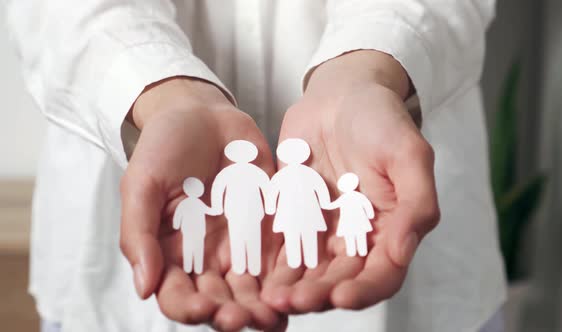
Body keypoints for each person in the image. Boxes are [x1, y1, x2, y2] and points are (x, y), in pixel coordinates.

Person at [5, 1, 506, 332]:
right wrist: (157, 90)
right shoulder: (239, 189)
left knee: (303, 241)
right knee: (265, 242)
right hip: (120, 296)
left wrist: (368, 68)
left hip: (410, 282)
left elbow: (301, 197)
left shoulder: (290, 183)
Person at [210, 140, 273, 276]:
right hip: (240, 212)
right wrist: (269, 207)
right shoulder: (254, 172)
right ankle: (246, 265)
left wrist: (217, 207)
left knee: (242, 237)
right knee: (247, 238)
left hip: (248, 211)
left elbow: (267, 189)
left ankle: (248, 265)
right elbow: (218, 189)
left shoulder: (236, 172)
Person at [267, 138, 331, 269]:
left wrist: (270, 207)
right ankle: (308, 259)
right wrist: (325, 203)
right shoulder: (308, 173)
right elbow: (321, 189)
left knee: (293, 236)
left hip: (293, 212)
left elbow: (272, 193)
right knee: (306, 236)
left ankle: (298, 259)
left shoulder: (282, 175)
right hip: (304, 211)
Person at [173, 177, 219, 274]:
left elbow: (178, 215)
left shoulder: (194, 203)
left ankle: (195, 267)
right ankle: (190, 267)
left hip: (196, 231)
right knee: (192, 248)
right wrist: (176, 224)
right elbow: (178, 214)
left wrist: (217, 210)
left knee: (192, 248)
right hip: (191, 230)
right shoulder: (188, 203)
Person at [324, 173, 375, 257]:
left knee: (355, 236)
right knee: (355, 236)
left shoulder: (350, 197)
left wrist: (325, 204)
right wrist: (370, 214)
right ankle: (356, 251)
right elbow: (367, 205)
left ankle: (359, 250)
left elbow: (366, 204)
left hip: (352, 221)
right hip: (354, 221)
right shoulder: (354, 196)